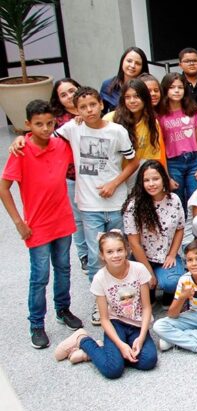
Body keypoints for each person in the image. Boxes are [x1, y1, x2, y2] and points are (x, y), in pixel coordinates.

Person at [0, 100, 83, 348]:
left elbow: (79, 142)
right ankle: (36, 324)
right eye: (38, 125)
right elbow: (4, 188)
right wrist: (18, 222)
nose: (45, 129)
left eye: (49, 123)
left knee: (64, 268)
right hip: (37, 225)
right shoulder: (21, 150)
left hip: (62, 220)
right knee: (40, 277)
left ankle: (63, 309)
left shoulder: (61, 145)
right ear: (28, 125)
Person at [56, 87, 138, 324]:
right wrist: (21, 138)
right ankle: (99, 303)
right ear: (76, 110)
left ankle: (124, 301)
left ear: (102, 104)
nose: (89, 110)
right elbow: (45, 138)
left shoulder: (117, 131)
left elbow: (132, 162)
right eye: (83, 107)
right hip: (89, 205)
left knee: (121, 252)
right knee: (95, 256)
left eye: (93, 104)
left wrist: (114, 183)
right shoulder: (73, 128)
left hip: (116, 202)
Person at [54, 231, 157, 378]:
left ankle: (100, 353)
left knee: (149, 361)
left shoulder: (139, 269)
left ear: (127, 251)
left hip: (138, 323)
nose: (116, 255)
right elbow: (104, 318)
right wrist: (121, 346)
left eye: (119, 250)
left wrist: (141, 338)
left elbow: (147, 307)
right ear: (102, 255)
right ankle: (83, 340)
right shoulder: (99, 278)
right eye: (110, 252)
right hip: (116, 323)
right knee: (113, 370)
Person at [122, 160, 185, 305]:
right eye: (146, 180)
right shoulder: (133, 206)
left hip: (165, 256)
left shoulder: (174, 200)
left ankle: (167, 296)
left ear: (164, 179)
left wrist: (172, 254)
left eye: (155, 179)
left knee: (172, 282)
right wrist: (148, 272)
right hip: (142, 257)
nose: (151, 184)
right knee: (142, 294)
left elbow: (180, 229)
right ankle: (149, 288)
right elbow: (134, 243)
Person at [49, 78, 87, 273]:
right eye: (63, 94)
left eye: (72, 90)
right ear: (58, 100)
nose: (69, 96)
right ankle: (84, 255)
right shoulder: (57, 120)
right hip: (71, 175)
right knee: (78, 218)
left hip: (94, 175)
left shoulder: (91, 108)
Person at [157, 72, 197, 211]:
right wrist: (166, 176)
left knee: (196, 199)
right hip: (173, 162)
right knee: (176, 201)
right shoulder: (160, 114)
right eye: (172, 87)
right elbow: (160, 146)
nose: (177, 91)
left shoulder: (192, 110)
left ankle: (195, 232)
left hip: (193, 160)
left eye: (180, 87)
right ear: (165, 89)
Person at [104, 78, 167, 186]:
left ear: (145, 98)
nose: (132, 101)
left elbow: (150, 158)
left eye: (137, 96)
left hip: (137, 177)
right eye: (127, 97)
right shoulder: (110, 119)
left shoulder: (152, 122)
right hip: (112, 176)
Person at [100, 47, 149, 113]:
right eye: (129, 61)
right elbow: (101, 113)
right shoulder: (107, 85)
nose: (132, 65)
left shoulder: (147, 86)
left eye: (137, 63)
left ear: (142, 67)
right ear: (122, 61)